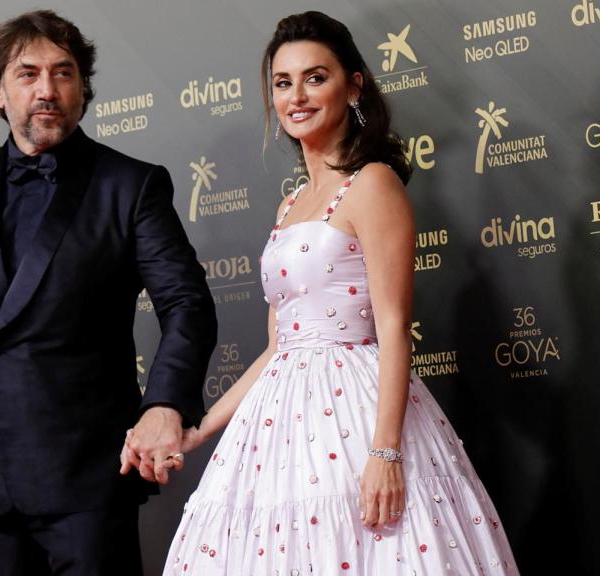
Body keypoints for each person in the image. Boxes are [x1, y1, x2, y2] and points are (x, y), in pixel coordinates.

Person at [160, 11, 519, 575]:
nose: (296, 97)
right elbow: (277, 348)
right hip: (277, 424)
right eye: (283, 83)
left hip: (357, 411)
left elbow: (394, 327)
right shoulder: (289, 205)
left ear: (353, 87)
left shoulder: (373, 184)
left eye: (315, 78)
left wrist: (385, 452)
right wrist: (200, 429)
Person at [0, 10, 216, 575]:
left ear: (82, 88)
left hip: (88, 483)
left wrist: (164, 405)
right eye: (28, 74)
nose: (47, 89)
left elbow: (186, 304)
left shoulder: (131, 185)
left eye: (63, 73)